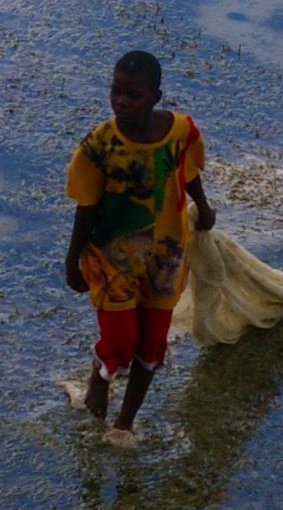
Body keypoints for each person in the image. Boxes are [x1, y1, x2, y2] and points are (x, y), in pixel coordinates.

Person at [63, 50, 215, 443]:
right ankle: (102, 371)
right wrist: (72, 259)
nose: (121, 102)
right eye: (116, 92)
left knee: (151, 346)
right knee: (120, 342)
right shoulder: (98, 147)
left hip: (165, 254)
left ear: (155, 97)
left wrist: (202, 205)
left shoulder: (181, 131)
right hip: (112, 255)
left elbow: (187, 170)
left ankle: (124, 423)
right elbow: (86, 205)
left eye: (133, 95)